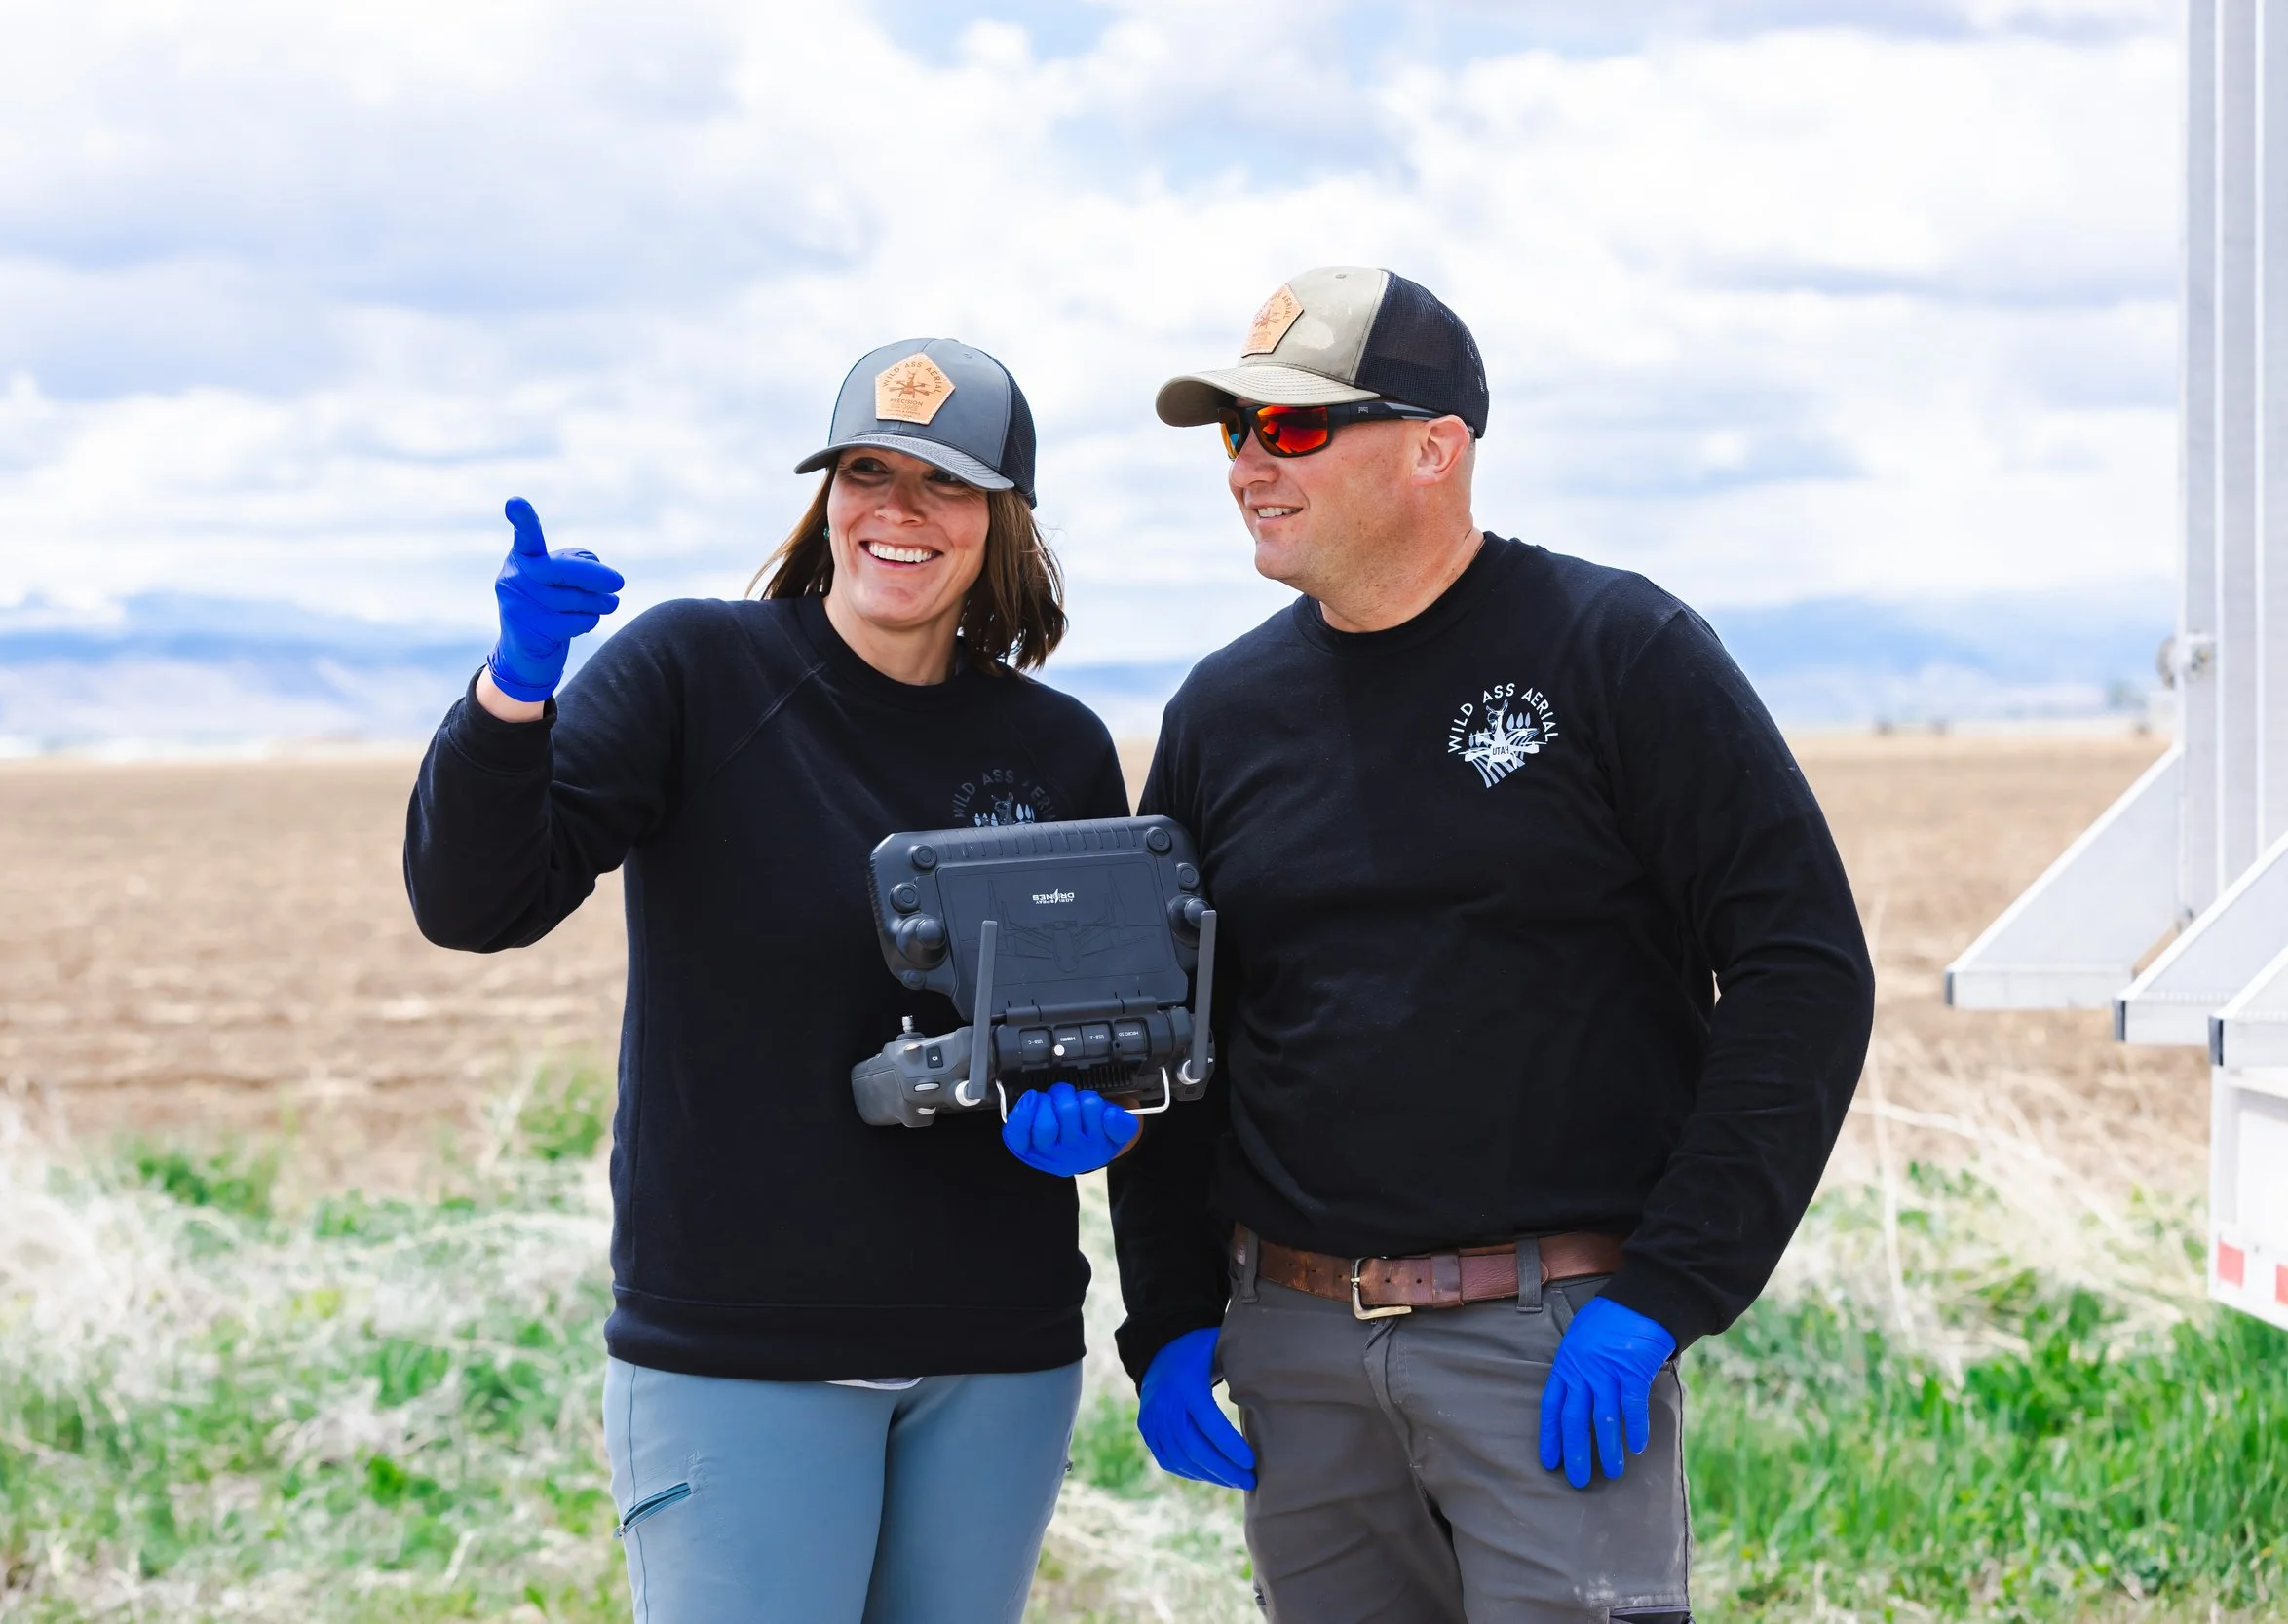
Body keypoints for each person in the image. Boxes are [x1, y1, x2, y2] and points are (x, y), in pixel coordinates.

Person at [1108, 267, 1876, 1623]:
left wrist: (1667, 1291)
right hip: (1295, 1346)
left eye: (1288, 431)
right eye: (1234, 433)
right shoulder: (1223, 714)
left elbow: (1800, 967)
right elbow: (1175, 1039)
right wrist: (1170, 1315)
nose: (1244, 468)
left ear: (1431, 447)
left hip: (1552, 1343)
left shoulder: (1616, 652)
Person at [404, 337, 1146, 1624]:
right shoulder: (697, 674)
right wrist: (516, 693)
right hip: (742, 1344)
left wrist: (1087, 1106)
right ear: (828, 498)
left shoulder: (1058, 748)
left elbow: (1097, 1034)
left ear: (1001, 521)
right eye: (869, 471)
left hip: (995, 1353)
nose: (898, 512)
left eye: (945, 484)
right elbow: (476, 901)